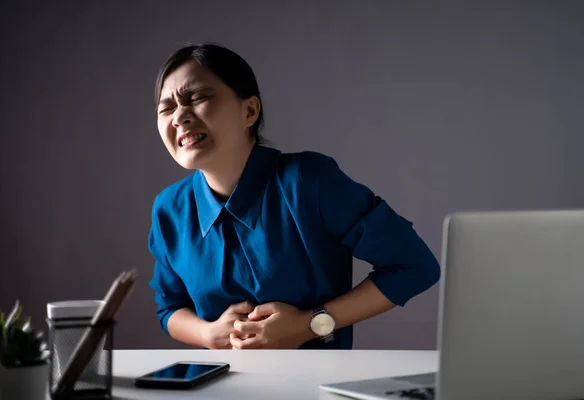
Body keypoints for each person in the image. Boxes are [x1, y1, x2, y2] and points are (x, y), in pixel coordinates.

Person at [148, 43, 440, 350]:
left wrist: (307, 325)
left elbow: (415, 265)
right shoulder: (169, 209)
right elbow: (170, 308)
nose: (180, 116)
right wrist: (208, 334)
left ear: (249, 111)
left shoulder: (309, 181)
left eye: (198, 98)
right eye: (166, 108)